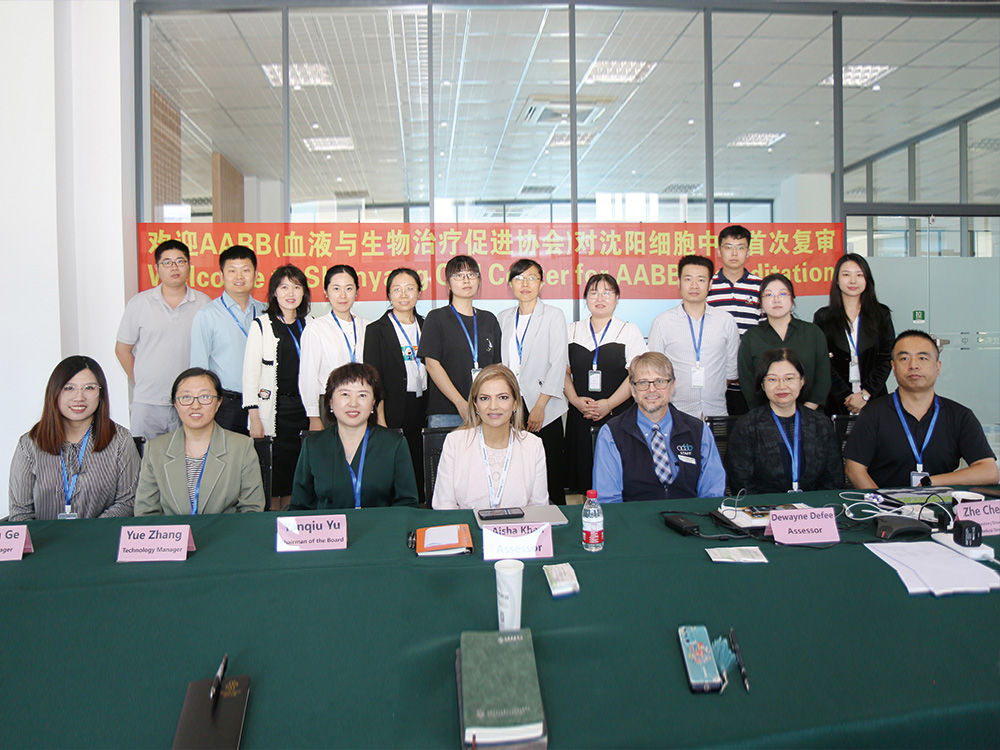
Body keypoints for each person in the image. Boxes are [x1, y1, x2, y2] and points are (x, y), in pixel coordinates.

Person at [844, 330, 998, 489]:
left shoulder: (960, 416)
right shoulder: (873, 414)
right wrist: (883, 502)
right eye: (904, 358)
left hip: (941, 502)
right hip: (885, 503)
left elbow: (988, 471)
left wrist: (931, 482)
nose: (913, 365)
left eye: (922, 358)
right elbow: (854, 469)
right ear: (894, 368)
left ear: (938, 367)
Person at [9, 356, 139, 521]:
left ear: (100, 393)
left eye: (89, 388)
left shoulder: (120, 440)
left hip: (100, 535)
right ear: (54, 392)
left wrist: (89, 532)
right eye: (69, 388)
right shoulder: (29, 444)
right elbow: (20, 512)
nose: (79, 397)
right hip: (43, 537)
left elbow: (128, 501)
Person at [593, 352, 725, 502]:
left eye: (660, 381)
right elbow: (608, 501)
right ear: (632, 389)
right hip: (634, 515)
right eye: (643, 382)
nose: (651, 389)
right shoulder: (611, 434)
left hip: (691, 515)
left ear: (673, 386)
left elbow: (712, 494)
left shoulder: (698, 431)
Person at [135, 368, 265, 515]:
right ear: (175, 403)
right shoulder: (155, 450)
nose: (195, 406)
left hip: (227, 530)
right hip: (172, 531)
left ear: (218, 402)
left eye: (205, 396)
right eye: (186, 397)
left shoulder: (242, 447)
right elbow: (146, 513)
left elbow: (252, 510)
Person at [289, 363, 419, 510]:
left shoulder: (394, 444)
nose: (353, 403)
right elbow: (300, 506)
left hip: (379, 525)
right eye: (345, 394)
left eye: (362, 395)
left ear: (373, 403)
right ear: (330, 401)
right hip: (329, 525)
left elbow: (407, 503)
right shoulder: (313, 445)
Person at [115, 239, 210, 440]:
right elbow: (122, 349)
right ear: (157, 268)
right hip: (147, 403)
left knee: (189, 457)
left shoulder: (204, 304)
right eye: (167, 262)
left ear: (189, 266)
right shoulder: (139, 303)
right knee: (145, 457)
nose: (174, 267)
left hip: (190, 401)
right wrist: (141, 380)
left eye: (180, 261)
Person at [564, 273, 647, 494]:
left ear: (617, 297)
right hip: (581, 415)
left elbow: (636, 375)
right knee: (585, 479)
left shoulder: (629, 330)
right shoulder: (572, 330)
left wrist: (608, 404)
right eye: (594, 293)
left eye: (607, 293)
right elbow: (562, 372)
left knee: (618, 476)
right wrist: (575, 400)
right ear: (585, 298)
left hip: (619, 415)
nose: (600, 298)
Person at [497, 259, 568, 505]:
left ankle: (558, 518)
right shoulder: (503, 318)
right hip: (512, 406)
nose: (525, 284)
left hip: (544, 406)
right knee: (518, 470)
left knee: (550, 470)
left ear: (541, 283)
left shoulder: (553, 315)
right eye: (518, 278)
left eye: (531, 278)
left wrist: (540, 406)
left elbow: (558, 364)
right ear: (510, 284)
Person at [726, 348, 842, 494]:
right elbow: (741, 485)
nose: (781, 386)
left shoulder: (820, 424)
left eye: (789, 378)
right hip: (764, 507)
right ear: (762, 385)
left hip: (814, 507)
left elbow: (834, 480)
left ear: (802, 381)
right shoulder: (747, 426)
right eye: (772, 379)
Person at [242, 264, 312, 510]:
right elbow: (250, 375)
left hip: (303, 410)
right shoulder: (262, 325)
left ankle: (293, 519)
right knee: (273, 475)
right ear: (274, 292)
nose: (290, 293)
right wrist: (254, 418)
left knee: (297, 470)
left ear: (304, 292)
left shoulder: (310, 324)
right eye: (284, 287)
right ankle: (272, 519)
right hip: (273, 411)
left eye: (296, 287)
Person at [432, 365, 548, 510]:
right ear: (476, 405)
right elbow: (443, 506)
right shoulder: (455, 442)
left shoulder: (533, 445)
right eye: (485, 398)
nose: (493, 406)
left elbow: (539, 508)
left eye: (503, 397)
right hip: (465, 524)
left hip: (520, 525)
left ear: (515, 403)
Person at [363, 267, 428, 500]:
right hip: (393, 407)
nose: (404, 294)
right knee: (395, 465)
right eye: (397, 289)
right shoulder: (375, 330)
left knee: (420, 464)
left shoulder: (427, 325)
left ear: (419, 292)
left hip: (424, 405)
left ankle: (419, 506)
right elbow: (374, 379)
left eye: (410, 288)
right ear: (389, 294)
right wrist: (380, 418)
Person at [648, 255, 739, 419]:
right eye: (688, 279)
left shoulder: (726, 321)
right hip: (676, 414)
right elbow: (655, 370)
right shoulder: (662, 322)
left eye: (701, 280)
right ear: (679, 283)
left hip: (716, 412)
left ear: (710, 284)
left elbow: (731, 371)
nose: (694, 285)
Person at [418, 255, 502, 429]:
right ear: (448, 284)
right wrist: (460, 403)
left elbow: (496, 366)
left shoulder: (489, 319)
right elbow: (432, 365)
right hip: (446, 411)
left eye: (471, 274)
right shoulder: (436, 318)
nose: (466, 280)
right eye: (458, 275)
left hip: (485, 410)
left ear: (479, 280)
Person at [190, 245, 266, 435]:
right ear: (221, 276)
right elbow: (199, 367)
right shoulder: (207, 315)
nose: (239, 277)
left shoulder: (265, 312)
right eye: (232, 271)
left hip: (264, 402)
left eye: (246, 270)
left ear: (256, 275)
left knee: (262, 453)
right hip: (226, 405)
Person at [813, 253, 895, 416]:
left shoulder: (881, 314)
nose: (853, 281)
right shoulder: (823, 317)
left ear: (867, 280)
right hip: (836, 400)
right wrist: (846, 397)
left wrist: (865, 394)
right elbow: (821, 361)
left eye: (859, 275)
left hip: (874, 398)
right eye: (846, 275)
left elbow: (887, 357)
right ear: (837, 280)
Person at [738, 273, 830, 410]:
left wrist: (807, 411)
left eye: (782, 294)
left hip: (810, 413)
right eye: (769, 295)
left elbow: (823, 375)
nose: (776, 300)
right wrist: (766, 414)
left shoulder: (813, 333)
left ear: (792, 299)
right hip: (765, 416)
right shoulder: (751, 337)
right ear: (761, 302)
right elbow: (747, 382)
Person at [299, 265, 371, 431]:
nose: (343, 295)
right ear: (326, 292)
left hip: (362, 403)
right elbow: (308, 375)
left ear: (357, 291)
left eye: (349, 288)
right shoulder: (315, 328)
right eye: (336, 288)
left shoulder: (367, 326)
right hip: (329, 404)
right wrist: (313, 416)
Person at [707, 225, 762, 416]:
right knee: (720, 428)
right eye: (728, 247)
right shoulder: (708, 286)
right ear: (719, 251)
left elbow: (765, 330)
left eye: (740, 247)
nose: (734, 253)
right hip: (717, 377)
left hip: (752, 377)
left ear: (748, 251)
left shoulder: (760, 286)